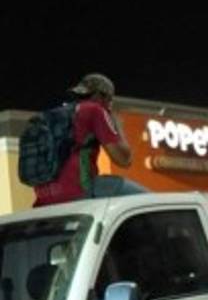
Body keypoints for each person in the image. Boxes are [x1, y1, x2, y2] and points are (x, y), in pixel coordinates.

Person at [33, 73, 143, 206]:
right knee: (149, 201)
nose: (110, 105)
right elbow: (124, 159)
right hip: (79, 190)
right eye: (110, 100)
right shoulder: (94, 110)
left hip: (44, 198)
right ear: (100, 96)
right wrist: (118, 126)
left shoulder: (51, 117)